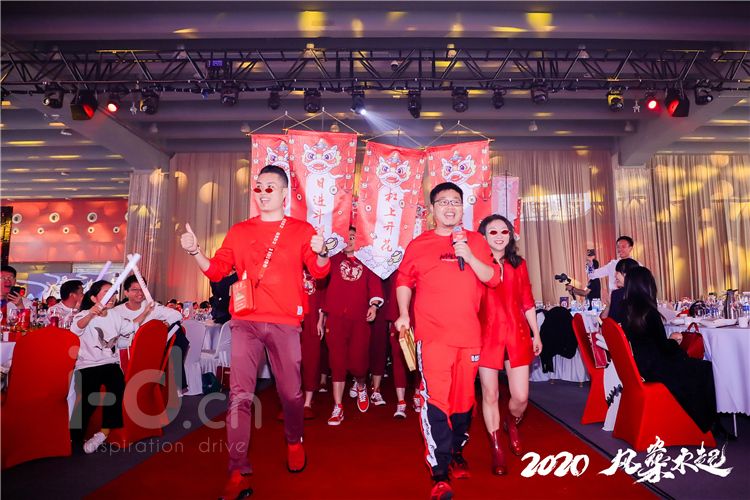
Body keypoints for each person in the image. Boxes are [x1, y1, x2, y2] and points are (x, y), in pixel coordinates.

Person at [180, 164, 330, 500]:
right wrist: (195, 251)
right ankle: (237, 470)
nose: (263, 193)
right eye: (258, 187)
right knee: (239, 396)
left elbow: (320, 272)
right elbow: (217, 271)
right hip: (245, 321)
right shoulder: (240, 231)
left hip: (285, 322)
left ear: (284, 193)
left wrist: (321, 252)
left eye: (270, 187)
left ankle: (294, 439)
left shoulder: (302, 230)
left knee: (290, 394)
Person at [395, 182, 499, 499]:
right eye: (443, 202)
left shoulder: (476, 241)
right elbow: (403, 280)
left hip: (469, 337)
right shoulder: (419, 244)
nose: (450, 207)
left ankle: (456, 451)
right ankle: (439, 471)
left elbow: (493, 278)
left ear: (462, 207)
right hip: (432, 337)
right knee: (436, 400)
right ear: (432, 209)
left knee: (464, 401)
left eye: (455, 201)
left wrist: (469, 254)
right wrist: (403, 314)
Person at [477, 214, 542, 476]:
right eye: (492, 232)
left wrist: (536, 333)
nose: (499, 236)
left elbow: (527, 300)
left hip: (517, 334)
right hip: (486, 336)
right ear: (483, 236)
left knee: (521, 397)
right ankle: (496, 448)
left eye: (504, 231)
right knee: (490, 394)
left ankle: (512, 422)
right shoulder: (476, 265)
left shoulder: (519, 264)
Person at [621, 266, 717, 432]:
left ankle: (702, 420)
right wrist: (674, 340)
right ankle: (705, 423)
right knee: (705, 368)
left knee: (693, 365)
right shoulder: (649, 312)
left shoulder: (626, 310)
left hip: (641, 366)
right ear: (647, 286)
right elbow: (664, 349)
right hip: (656, 368)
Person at [70, 280, 154, 453]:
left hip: (109, 363)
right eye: (106, 293)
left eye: (114, 293)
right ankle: (74, 436)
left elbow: (131, 327)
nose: (112, 296)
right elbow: (75, 329)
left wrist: (146, 311)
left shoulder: (115, 315)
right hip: (87, 364)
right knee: (88, 396)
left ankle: (103, 432)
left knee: (116, 386)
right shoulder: (84, 314)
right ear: (94, 298)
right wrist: (91, 314)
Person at [321, 226, 383, 424]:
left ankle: (361, 385)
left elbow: (375, 287)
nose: (349, 240)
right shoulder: (333, 259)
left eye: (353, 237)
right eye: (345, 237)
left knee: (358, 361)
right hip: (336, 318)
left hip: (359, 320)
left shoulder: (367, 262)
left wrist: (373, 305)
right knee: (337, 362)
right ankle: (338, 406)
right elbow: (321, 278)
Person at [114, 275, 190, 394]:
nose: (140, 293)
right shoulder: (117, 311)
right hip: (128, 353)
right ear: (126, 292)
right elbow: (117, 338)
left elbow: (177, 315)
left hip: (151, 354)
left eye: (142, 289)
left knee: (176, 328)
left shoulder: (151, 306)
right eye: (135, 290)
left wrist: (166, 323)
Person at [300, 270, 327, 419]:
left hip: (312, 320)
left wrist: (320, 321)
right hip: (292, 319)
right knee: (291, 362)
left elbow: (322, 296)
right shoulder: (292, 266)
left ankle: (308, 402)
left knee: (311, 359)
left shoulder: (318, 269)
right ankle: (293, 398)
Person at [588, 236, 637, 302]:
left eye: (623, 247)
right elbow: (592, 275)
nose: (620, 249)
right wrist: (590, 262)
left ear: (630, 248)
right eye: (618, 247)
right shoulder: (613, 264)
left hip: (632, 299)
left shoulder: (637, 265)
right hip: (615, 299)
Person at [601, 258, 639, 323]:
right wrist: (608, 305)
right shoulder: (642, 292)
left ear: (626, 274)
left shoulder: (617, 294)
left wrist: (608, 306)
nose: (615, 275)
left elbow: (607, 322)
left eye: (617, 272)